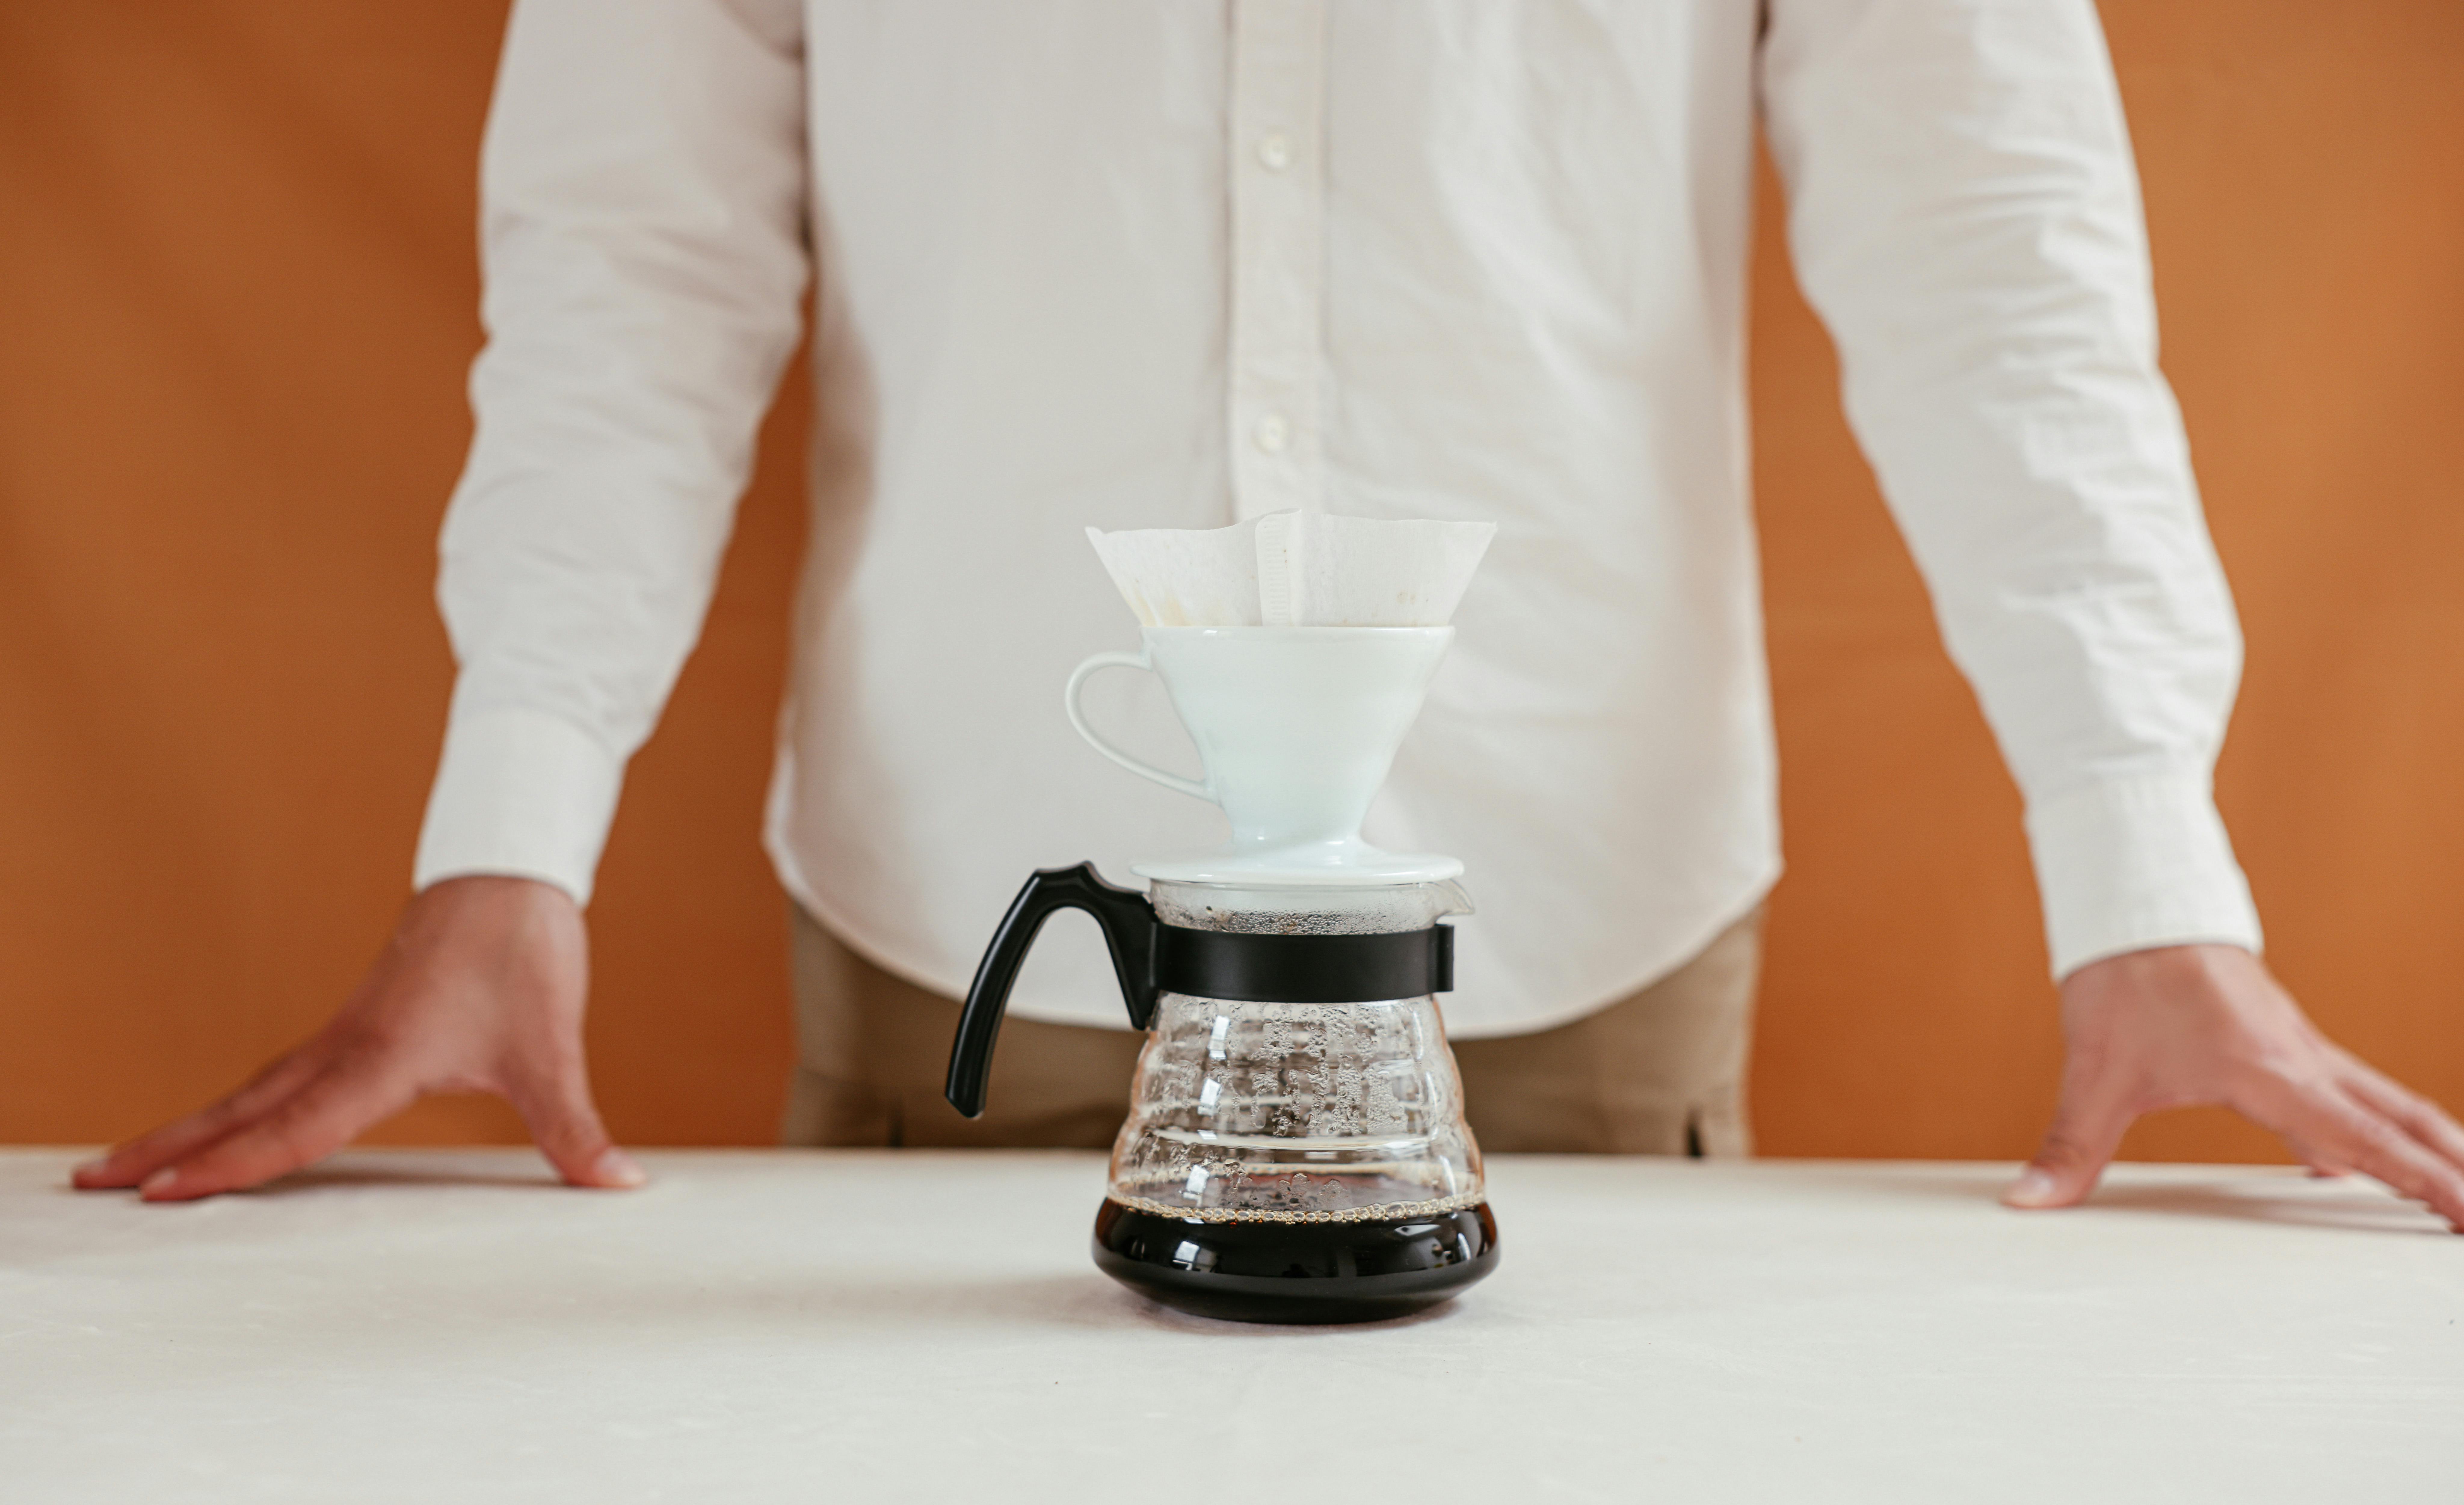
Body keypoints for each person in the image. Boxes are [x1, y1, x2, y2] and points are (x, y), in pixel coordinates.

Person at [74, 0, 2464, 1227]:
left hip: (1568, 956)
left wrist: (2148, 866)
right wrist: (512, 832)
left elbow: (1995, 267)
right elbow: (627, 259)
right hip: (968, 954)